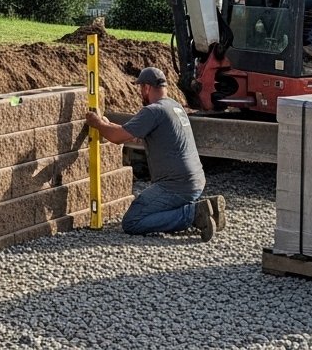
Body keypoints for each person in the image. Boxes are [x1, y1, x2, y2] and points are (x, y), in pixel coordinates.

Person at [84, 67, 227, 239]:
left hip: (175, 186)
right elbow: (128, 135)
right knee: (152, 209)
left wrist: (97, 123)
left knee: (132, 221)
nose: (140, 93)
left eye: (140, 89)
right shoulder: (174, 106)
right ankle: (207, 208)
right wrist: (106, 124)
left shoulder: (153, 111)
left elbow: (117, 137)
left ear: (146, 87)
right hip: (195, 181)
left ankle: (193, 214)